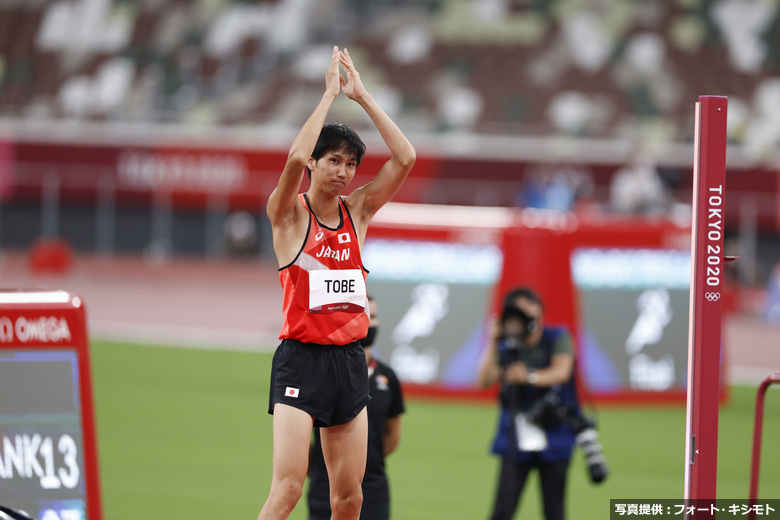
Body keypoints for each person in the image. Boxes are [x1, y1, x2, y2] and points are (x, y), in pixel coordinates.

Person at [259, 46, 415, 520]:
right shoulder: (288, 216)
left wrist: (363, 96)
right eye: (334, 161)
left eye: (351, 164)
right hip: (300, 362)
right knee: (287, 490)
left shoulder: (359, 212)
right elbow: (293, 158)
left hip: (349, 362)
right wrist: (329, 95)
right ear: (315, 164)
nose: (344, 172)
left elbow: (405, 158)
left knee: (350, 500)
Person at [476, 287, 578, 520]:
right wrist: (493, 340)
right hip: (515, 440)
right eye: (519, 311)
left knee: (555, 512)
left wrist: (529, 376)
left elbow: (562, 371)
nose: (526, 315)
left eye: (531, 307)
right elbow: (483, 380)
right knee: (502, 511)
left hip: (555, 435)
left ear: (541, 312)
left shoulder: (557, 336)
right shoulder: (507, 346)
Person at [307, 295, 406, 520]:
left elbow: (393, 436)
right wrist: (324, 471)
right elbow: (301, 436)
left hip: (373, 490)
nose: (370, 323)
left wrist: (362, 463)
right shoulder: (322, 373)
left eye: (374, 316)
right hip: (325, 489)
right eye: (363, 316)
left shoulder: (388, 377)